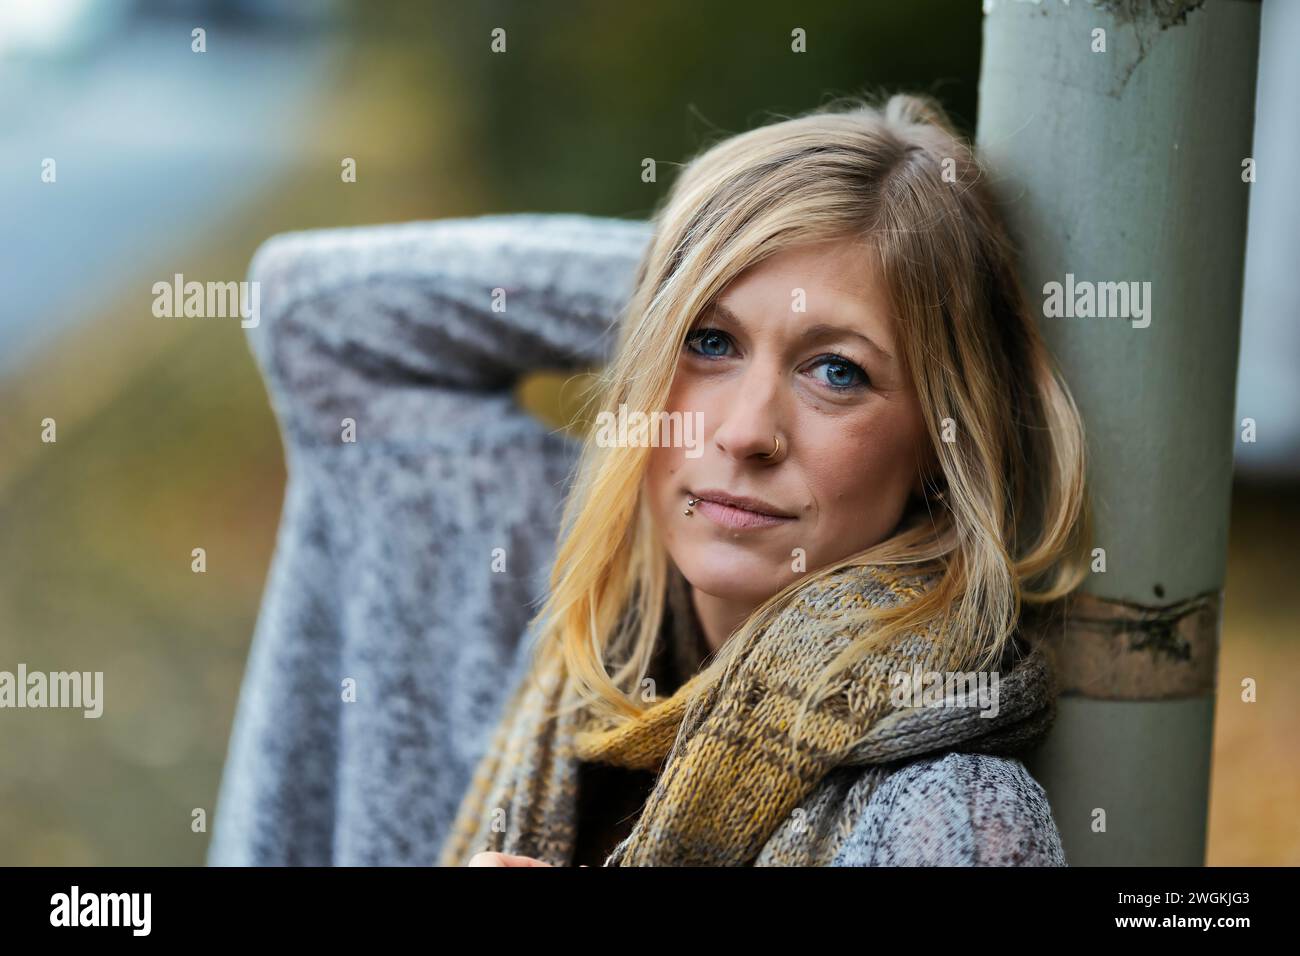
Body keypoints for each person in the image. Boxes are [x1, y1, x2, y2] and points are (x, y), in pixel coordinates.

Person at [209, 92, 1088, 868]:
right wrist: (693, 253)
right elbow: (320, 316)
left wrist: (903, 262)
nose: (746, 433)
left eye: (838, 372)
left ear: (940, 443)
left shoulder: (948, 821)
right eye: (708, 343)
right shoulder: (564, 615)